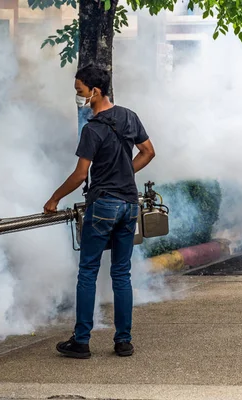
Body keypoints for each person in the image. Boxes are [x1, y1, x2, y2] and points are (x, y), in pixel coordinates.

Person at [43, 65, 155, 358]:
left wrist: (53, 199)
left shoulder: (91, 129)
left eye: (80, 90)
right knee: (121, 274)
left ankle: (81, 341)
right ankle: (123, 342)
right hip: (130, 205)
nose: (78, 95)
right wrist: (125, 173)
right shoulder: (129, 116)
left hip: (104, 204)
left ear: (95, 91)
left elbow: (81, 175)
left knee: (88, 273)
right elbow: (148, 152)